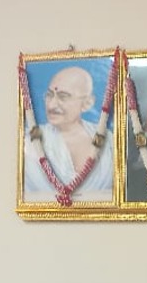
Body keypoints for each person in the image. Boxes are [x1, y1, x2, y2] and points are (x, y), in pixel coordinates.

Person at [23, 65, 114, 196]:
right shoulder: (30, 141)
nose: (51, 105)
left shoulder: (108, 140)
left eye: (63, 97)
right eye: (49, 95)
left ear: (87, 103)